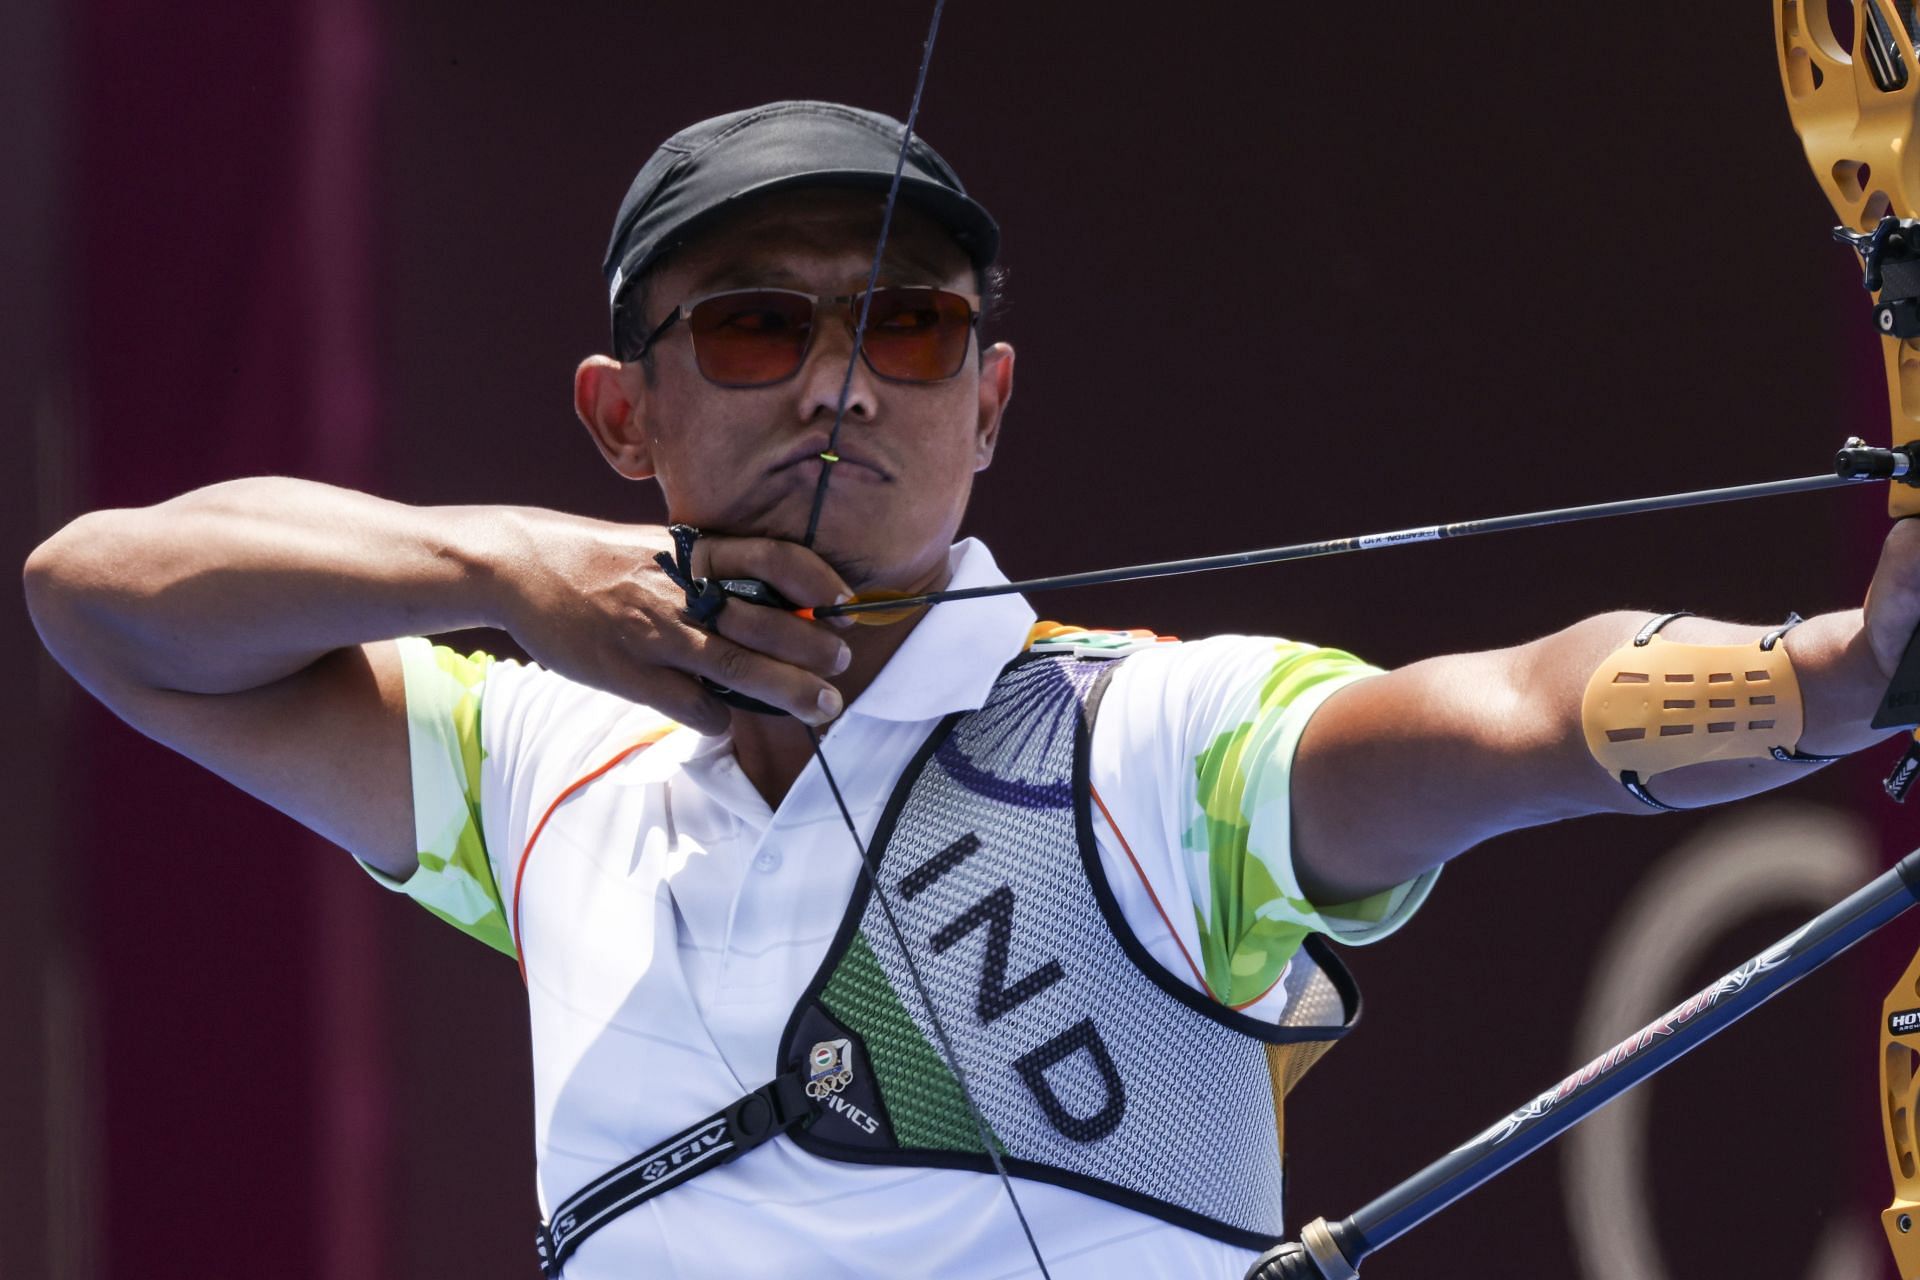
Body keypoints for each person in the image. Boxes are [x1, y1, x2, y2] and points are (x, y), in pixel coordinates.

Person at [21, 99, 1920, 1279]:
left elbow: (1511, 712)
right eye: (762, 322)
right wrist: (506, 570)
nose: (843, 383)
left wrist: (1836, 678)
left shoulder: (1149, 740)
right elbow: (101, 597)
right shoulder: (546, 765)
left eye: (909, 328)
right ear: (625, 416)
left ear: (988, 404)